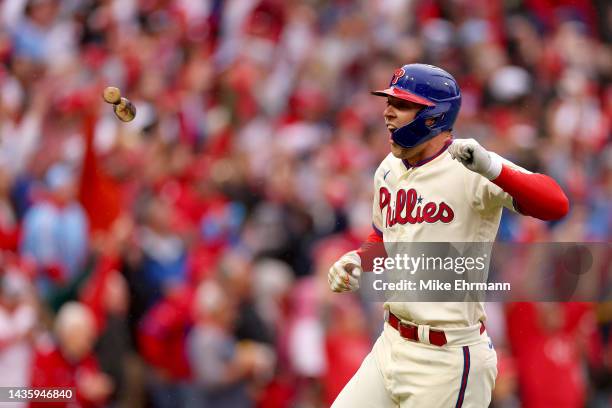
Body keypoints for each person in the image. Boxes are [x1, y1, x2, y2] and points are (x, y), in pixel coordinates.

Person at [327, 63, 569, 407]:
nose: (388, 113)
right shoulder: (388, 169)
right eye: (389, 103)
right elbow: (382, 240)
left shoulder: (472, 167)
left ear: (433, 115)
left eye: (402, 104)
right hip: (390, 343)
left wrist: (492, 167)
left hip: (447, 359)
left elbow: (556, 204)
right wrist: (357, 260)